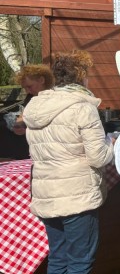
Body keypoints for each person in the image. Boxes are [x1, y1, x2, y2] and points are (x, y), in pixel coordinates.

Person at [22, 51, 114, 274]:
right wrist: (112, 143)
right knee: (80, 262)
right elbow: (98, 157)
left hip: (46, 193)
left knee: (58, 258)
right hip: (77, 196)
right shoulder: (83, 107)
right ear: (82, 77)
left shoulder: (33, 108)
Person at [0, 64, 54, 160]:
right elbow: (23, 114)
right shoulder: (31, 96)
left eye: (29, 86)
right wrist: (19, 124)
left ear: (42, 80)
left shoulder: (54, 97)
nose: (27, 91)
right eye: (24, 88)